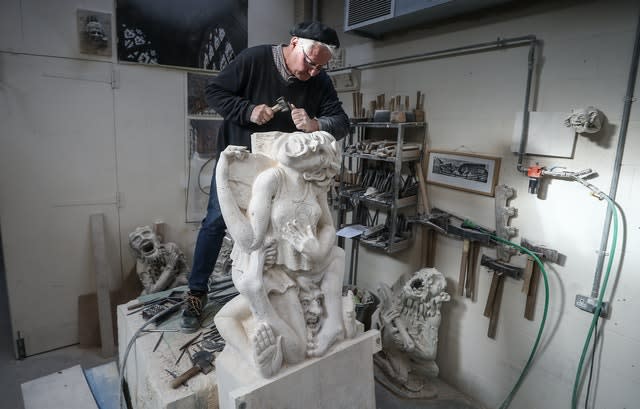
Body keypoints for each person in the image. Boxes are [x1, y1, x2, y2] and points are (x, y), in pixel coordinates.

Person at [182, 21, 349, 332]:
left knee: (279, 231)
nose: (312, 73)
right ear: (295, 42)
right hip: (242, 164)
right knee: (218, 221)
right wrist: (247, 111)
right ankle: (196, 291)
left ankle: (270, 292)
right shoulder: (255, 60)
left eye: (319, 68)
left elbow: (341, 122)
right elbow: (213, 91)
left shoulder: (319, 80)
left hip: (284, 173)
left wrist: (315, 124)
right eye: (310, 63)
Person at [213, 131, 346, 377]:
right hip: (278, 272)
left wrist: (316, 249)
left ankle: (334, 325)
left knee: (337, 255)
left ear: (318, 168)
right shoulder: (271, 179)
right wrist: (221, 176)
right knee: (295, 352)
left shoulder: (314, 186)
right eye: (312, 139)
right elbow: (250, 240)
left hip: (308, 266)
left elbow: (328, 226)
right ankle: (258, 350)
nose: (309, 143)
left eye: (317, 150)